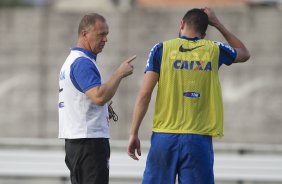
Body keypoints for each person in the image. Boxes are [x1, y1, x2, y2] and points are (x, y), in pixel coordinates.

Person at [127, 7, 250, 184]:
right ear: (205, 33)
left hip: (164, 136)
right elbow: (244, 53)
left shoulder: (162, 49)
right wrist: (218, 24)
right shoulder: (214, 50)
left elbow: (144, 94)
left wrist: (133, 133)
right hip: (197, 138)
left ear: (182, 24)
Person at [58, 13, 136, 184]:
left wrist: (104, 107)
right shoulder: (82, 62)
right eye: (101, 34)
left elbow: (87, 99)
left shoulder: (73, 61)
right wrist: (119, 73)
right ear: (85, 34)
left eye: (106, 34)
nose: (105, 39)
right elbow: (99, 96)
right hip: (89, 143)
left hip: (78, 142)